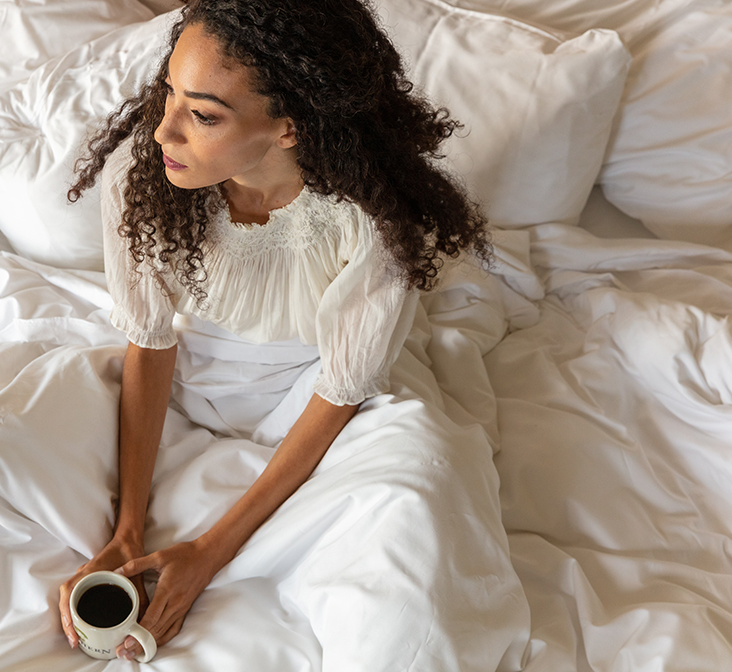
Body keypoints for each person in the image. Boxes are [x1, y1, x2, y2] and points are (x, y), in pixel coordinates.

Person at [58, 0, 489, 661]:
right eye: (169, 92)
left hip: (320, 391)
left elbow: (341, 388)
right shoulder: (148, 179)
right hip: (185, 377)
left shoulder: (368, 220)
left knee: (413, 512)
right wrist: (125, 527)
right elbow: (149, 342)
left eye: (202, 114)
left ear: (288, 128)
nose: (161, 132)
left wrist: (207, 552)